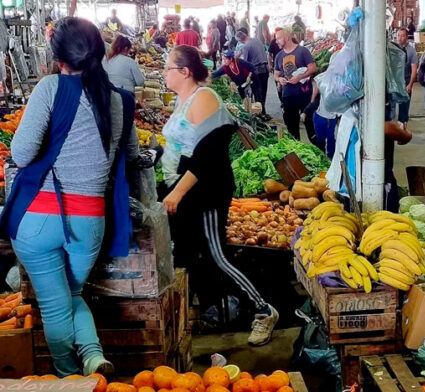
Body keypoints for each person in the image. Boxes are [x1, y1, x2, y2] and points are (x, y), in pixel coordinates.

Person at [2, 17, 139, 376]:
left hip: (38, 218)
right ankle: (94, 357)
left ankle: (67, 375)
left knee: (54, 305)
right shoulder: (121, 101)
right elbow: (133, 155)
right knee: (73, 295)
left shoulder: (50, 88)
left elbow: (21, 153)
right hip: (89, 221)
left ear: (59, 58)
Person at [161, 45, 279, 346]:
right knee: (190, 255)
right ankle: (215, 310)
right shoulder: (184, 99)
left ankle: (264, 310)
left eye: (168, 68)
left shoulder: (204, 99)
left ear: (185, 72)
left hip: (206, 192)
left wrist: (177, 192)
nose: (163, 73)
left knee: (216, 255)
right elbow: (182, 147)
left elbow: (208, 156)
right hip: (187, 190)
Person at [274, 28, 316, 140]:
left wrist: (300, 77)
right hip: (288, 95)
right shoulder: (279, 56)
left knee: (310, 124)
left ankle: (318, 148)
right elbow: (276, 74)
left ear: (287, 37)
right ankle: (297, 151)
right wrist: (280, 79)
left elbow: (312, 68)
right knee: (292, 127)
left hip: (304, 93)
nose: (276, 41)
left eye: (278, 38)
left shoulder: (302, 51)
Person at [236, 30, 269, 114]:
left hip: (257, 71)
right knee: (263, 91)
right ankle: (263, 110)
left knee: (257, 92)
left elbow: (246, 63)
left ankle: (259, 112)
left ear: (240, 41)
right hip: (265, 69)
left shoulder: (246, 46)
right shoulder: (257, 40)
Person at [302, 79, 338, 158]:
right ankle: (321, 155)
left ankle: (331, 157)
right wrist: (305, 112)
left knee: (330, 138)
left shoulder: (338, 90)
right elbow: (315, 103)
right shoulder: (322, 89)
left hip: (331, 118)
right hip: (320, 116)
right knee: (320, 138)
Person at [393, 28, 418, 124]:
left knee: (404, 106)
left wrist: (410, 85)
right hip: (393, 81)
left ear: (407, 37)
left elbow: (414, 70)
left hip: (405, 81)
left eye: (402, 35)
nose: (400, 38)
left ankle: (402, 126)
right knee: (390, 106)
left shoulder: (411, 51)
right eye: (398, 35)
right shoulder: (392, 48)